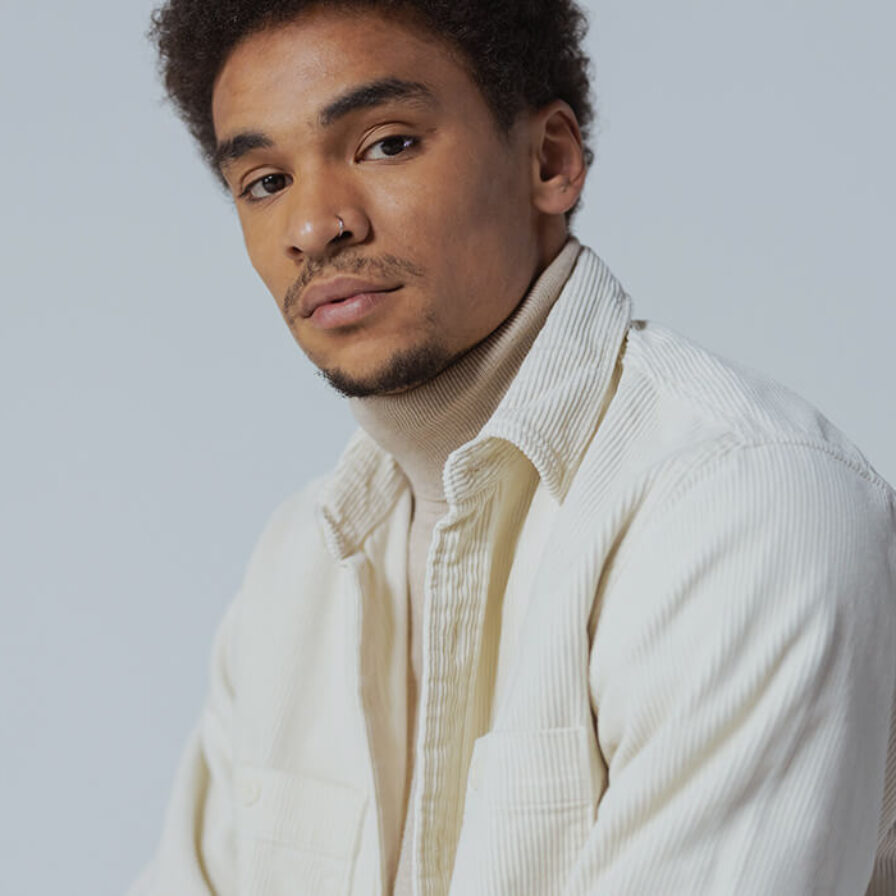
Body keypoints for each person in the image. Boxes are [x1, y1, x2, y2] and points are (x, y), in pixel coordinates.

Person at [130, 1, 896, 894]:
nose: (315, 225)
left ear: (549, 161)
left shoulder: (743, 506)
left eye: (385, 144)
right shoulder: (296, 565)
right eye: (265, 182)